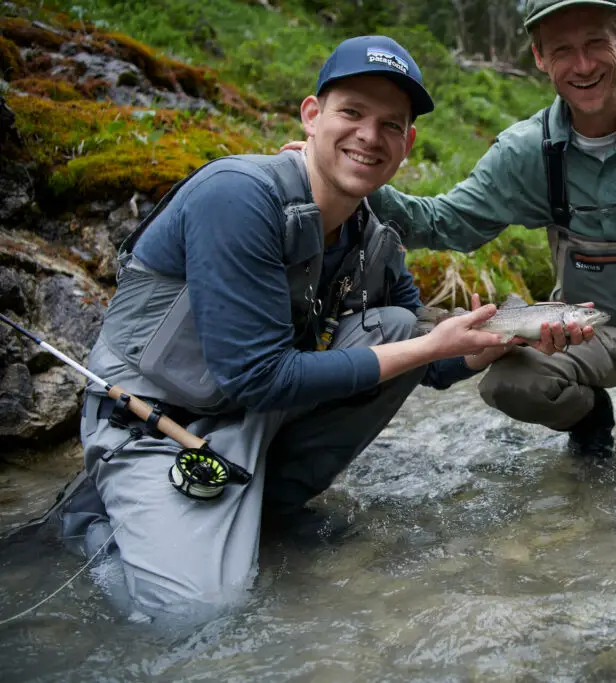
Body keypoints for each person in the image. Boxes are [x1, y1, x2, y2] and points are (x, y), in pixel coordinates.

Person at [56, 35, 520, 624]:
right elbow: (257, 375)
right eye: (352, 113)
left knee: (401, 324)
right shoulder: (238, 196)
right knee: (191, 616)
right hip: (152, 420)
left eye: (391, 125)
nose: (370, 137)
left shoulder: (373, 233)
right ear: (311, 115)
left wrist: (487, 345)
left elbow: (425, 361)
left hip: (252, 415)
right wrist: (429, 344)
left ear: (408, 143)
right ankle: (102, 522)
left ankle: (269, 503)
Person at [284, 0, 616, 483]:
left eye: (594, 44)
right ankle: (591, 422)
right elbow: (445, 223)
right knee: (503, 384)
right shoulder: (524, 153)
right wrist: (342, 175)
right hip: (583, 333)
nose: (582, 66)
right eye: (563, 50)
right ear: (540, 57)